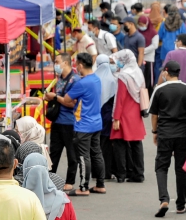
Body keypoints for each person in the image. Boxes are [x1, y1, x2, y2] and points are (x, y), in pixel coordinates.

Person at [52, 53, 106, 196]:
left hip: (84, 124)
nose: (76, 67)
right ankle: (100, 184)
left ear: (81, 65)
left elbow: (68, 99)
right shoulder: (96, 79)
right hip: (96, 122)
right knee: (96, 153)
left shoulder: (82, 83)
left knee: (83, 156)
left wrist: (56, 97)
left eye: (77, 65)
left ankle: (83, 187)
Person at [150, 60, 186, 217]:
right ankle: (181, 205)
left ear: (166, 72)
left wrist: (154, 131)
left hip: (165, 133)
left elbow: (154, 114)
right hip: (183, 134)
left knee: (161, 167)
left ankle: (164, 199)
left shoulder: (159, 90)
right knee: (181, 169)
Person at [111, 49, 148, 184]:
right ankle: (139, 173)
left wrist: (116, 118)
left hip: (124, 113)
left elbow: (120, 98)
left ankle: (121, 174)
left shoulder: (123, 76)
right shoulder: (138, 72)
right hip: (136, 111)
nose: (118, 63)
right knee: (137, 144)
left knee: (120, 143)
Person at [95, 54, 119, 181]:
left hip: (94, 116)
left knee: (95, 144)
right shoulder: (112, 79)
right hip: (108, 116)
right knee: (107, 145)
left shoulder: (93, 78)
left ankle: (96, 171)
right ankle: (107, 171)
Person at [140, 15, 160, 95]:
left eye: (143, 24)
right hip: (140, 59)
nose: (141, 26)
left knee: (149, 80)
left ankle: (149, 97)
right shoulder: (138, 32)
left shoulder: (154, 33)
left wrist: (142, 51)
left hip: (149, 59)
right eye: (140, 24)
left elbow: (154, 46)